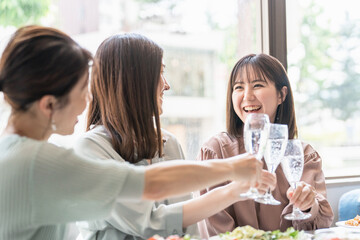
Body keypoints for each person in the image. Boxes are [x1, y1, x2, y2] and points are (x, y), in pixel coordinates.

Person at [0, 26, 264, 240]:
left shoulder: (14, 153)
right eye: (82, 90)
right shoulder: (38, 162)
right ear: (48, 105)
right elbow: (149, 185)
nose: (89, 99)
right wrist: (232, 168)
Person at [73, 33, 276, 240]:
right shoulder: (91, 149)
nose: (166, 85)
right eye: (160, 73)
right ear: (133, 81)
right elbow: (150, 223)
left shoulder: (168, 144)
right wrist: (235, 188)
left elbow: (188, 229)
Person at [198, 53, 334, 237]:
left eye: (258, 85)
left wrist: (309, 205)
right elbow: (215, 232)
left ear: (281, 95)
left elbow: (321, 228)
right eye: (238, 87)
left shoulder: (303, 154)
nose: (247, 96)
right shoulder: (215, 152)